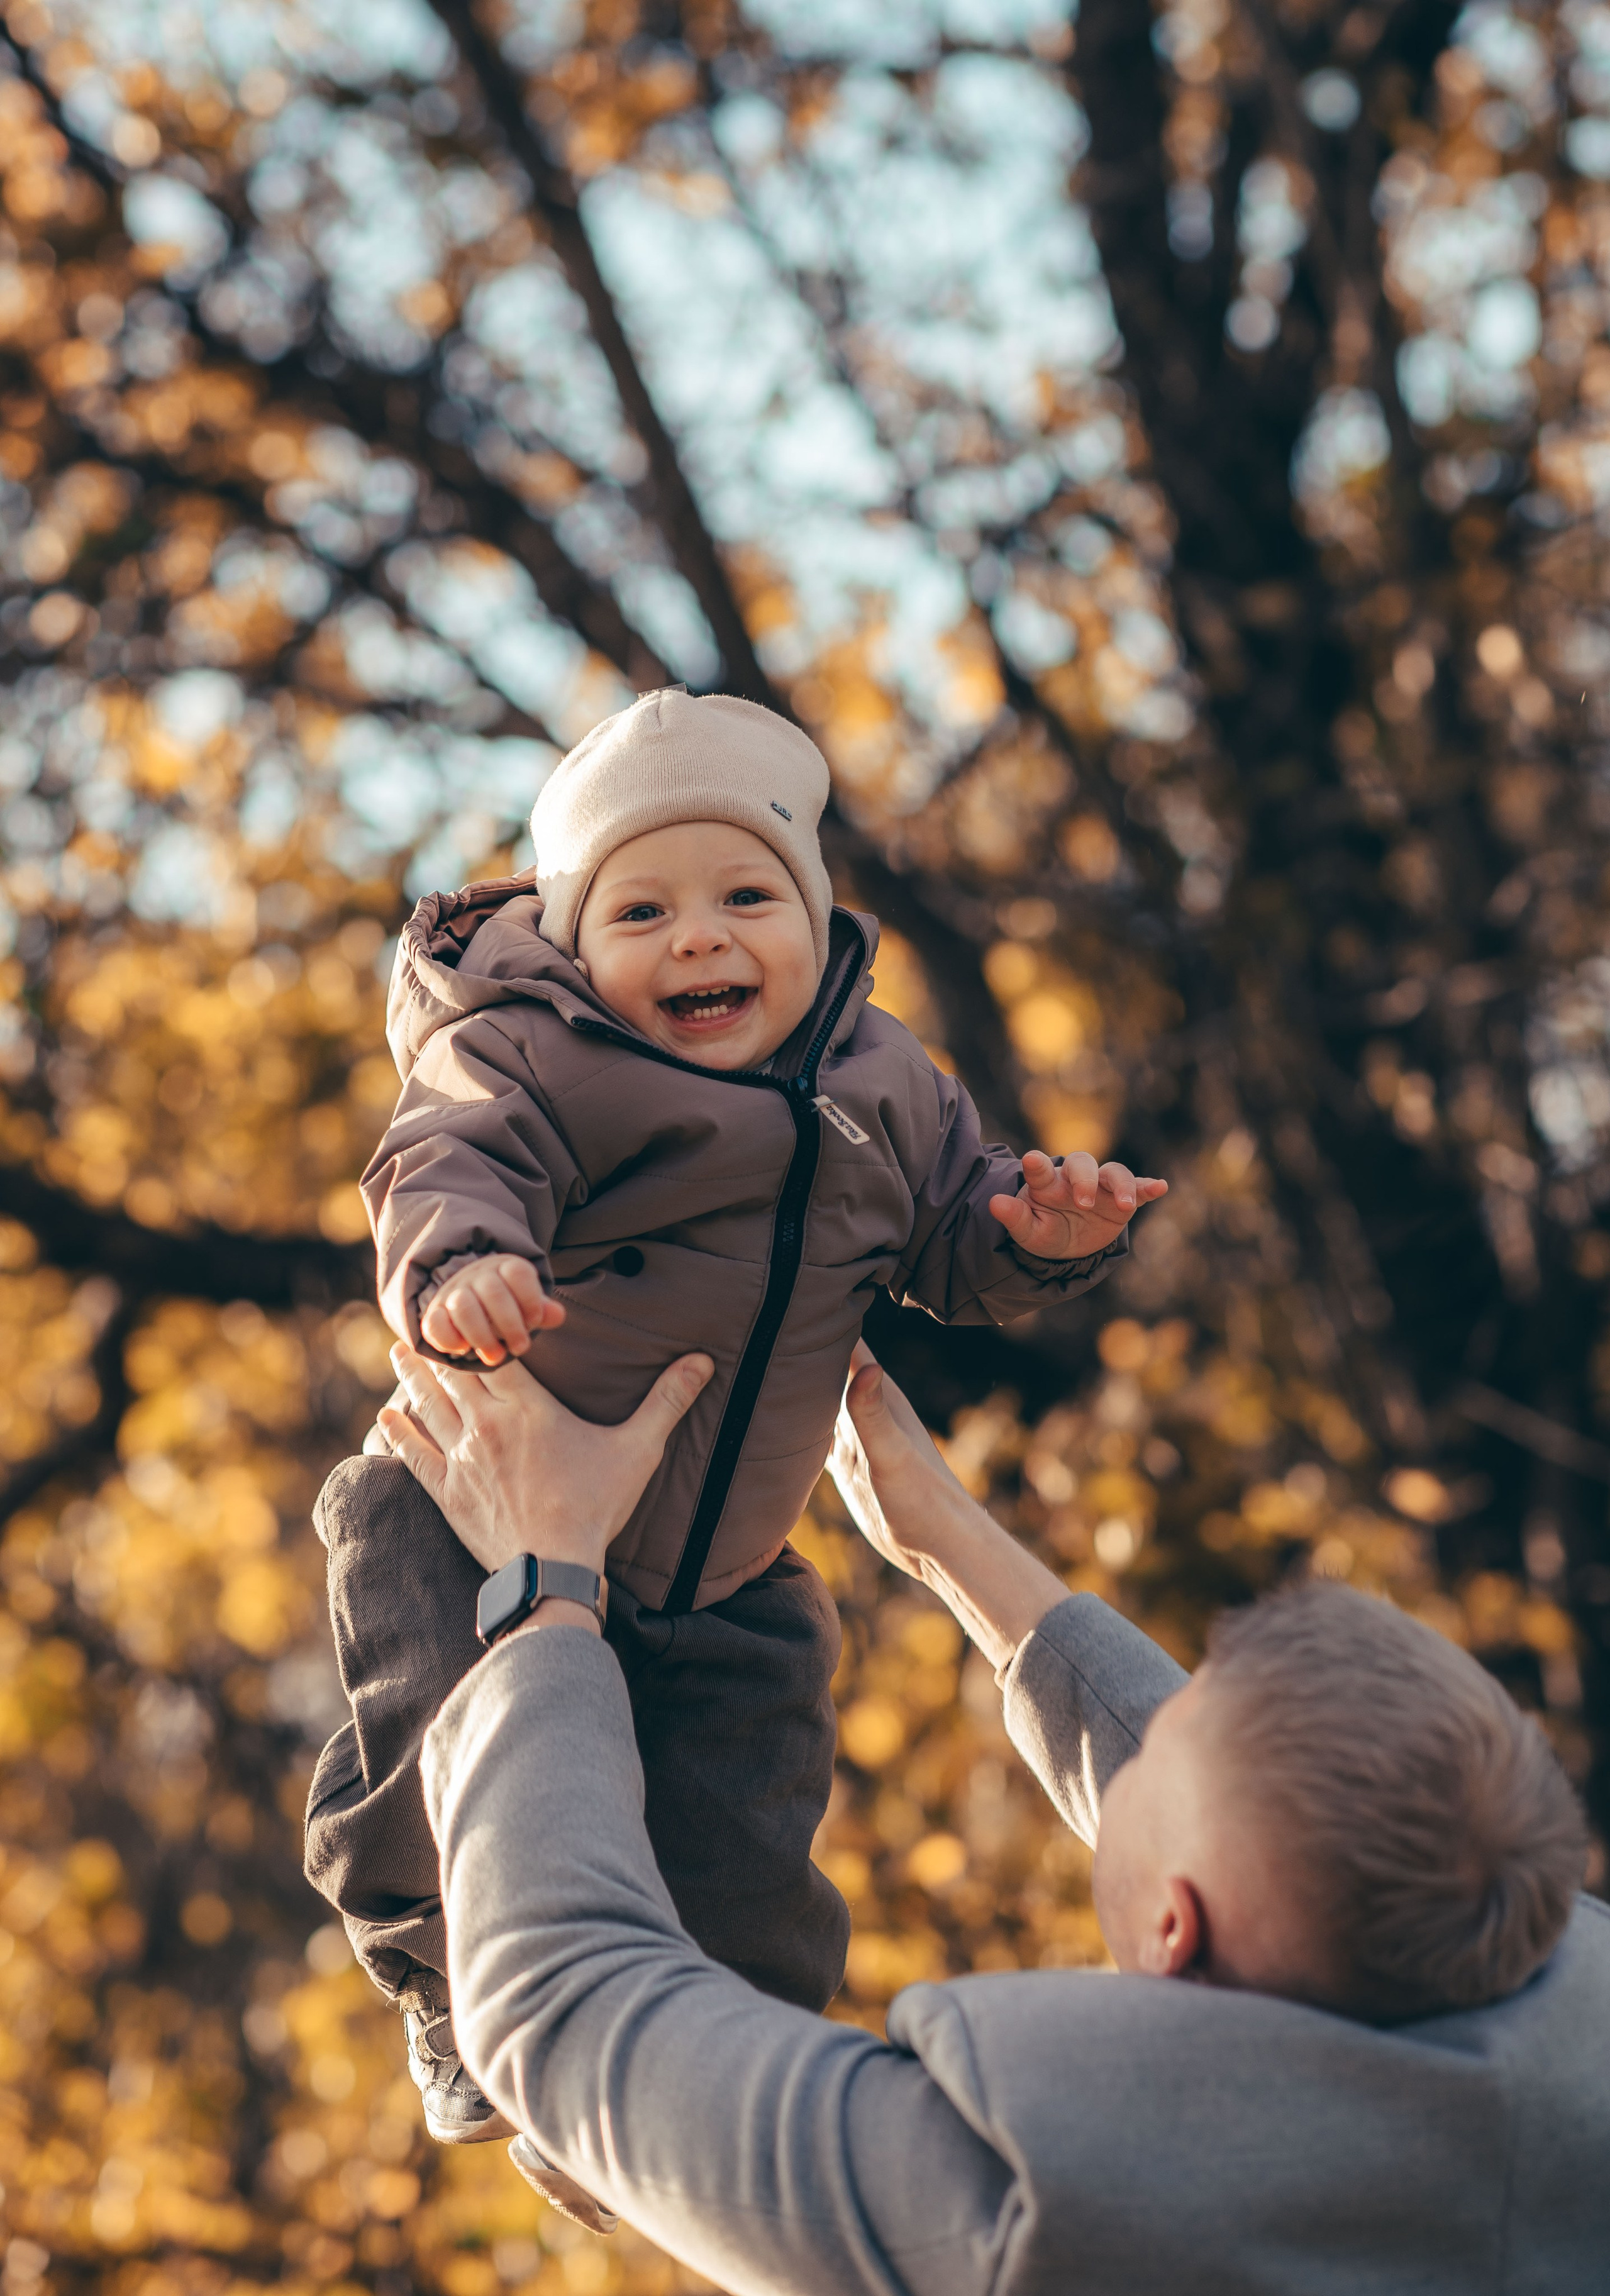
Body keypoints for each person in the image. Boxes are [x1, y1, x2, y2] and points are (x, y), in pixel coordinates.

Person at [303, 685, 1165, 2141]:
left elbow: (948, 1234)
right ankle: (451, 1997)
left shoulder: (883, 1081)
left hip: (727, 1570)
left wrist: (1036, 1233)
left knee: (752, 1850)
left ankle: (740, 2091)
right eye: (636, 912)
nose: (697, 935)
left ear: (817, 918)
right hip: (473, 1510)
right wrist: (464, 1265)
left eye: (743, 894)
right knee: (432, 1753)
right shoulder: (523, 1049)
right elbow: (443, 1157)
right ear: (573, 946)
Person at [384, 1336, 1610, 2293]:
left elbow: (565, 2002)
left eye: (1151, 1758)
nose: (1145, 1728)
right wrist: (944, 1536)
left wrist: (543, 1586)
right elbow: (1296, 1807)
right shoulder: (1550, 1961)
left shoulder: (1026, 2208)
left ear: (1170, 1929)